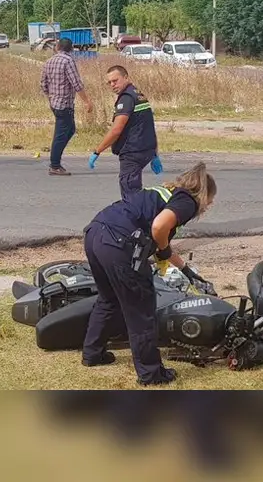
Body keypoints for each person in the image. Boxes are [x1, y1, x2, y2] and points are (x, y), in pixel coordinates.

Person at [80, 162, 217, 386]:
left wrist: (186, 270)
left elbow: (163, 244)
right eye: (210, 200)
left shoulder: (164, 193)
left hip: (96, 233)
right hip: (119, 243)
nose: (209, 205)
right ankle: (151, 374)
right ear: (203, 194)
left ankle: (92, 353)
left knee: (108, 298)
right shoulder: (187, 201)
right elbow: (158, 227)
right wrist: (162, 249)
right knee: (141, 309)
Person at [88, 65, 163, 202]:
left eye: (115, 80)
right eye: (109, 82)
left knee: (131, 196)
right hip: (145, 149)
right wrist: (154, 154)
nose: (112, 85)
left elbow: (116, 130)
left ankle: (146, 221)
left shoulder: (127, 98)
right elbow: (148, 125)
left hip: (132, 153)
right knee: (134, 193)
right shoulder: (138, 94)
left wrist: (97, 151)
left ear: (126, 77)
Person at [40, 38, 94, 176]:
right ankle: (55, 165)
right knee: (61, 134)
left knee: (69, 130)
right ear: (71, 49)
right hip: (64, 104)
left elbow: (43, 84)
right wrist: (87, 101)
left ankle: (55, 161)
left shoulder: (49, 61)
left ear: (57, 47)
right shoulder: (68, 61)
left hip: (55, 103)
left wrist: (50, 97)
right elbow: (76, 83)